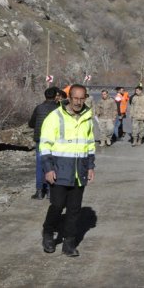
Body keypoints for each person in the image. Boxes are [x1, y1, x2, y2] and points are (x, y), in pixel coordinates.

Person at [39, 84, 96, 257]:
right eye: (75, 98)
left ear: (85, 98)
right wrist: (48, 169)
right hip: (59, 170)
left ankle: (69, 243)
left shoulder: (87, 117)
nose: (78, 102)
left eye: (82, 98)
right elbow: (45, 145)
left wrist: (91, 166)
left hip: (79, 171)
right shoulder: (55, 117)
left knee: (74, 209)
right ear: (69, 98)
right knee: (57, 205)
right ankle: (48, 233)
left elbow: (89, 144)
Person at [27, 87, 60, 200]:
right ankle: (51, 191)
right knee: (53, 164)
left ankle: (40, 191)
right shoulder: (58, 109)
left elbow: (31, 123)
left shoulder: (39, 108)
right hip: (54, 140)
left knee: (40, 165)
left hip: (40, 139)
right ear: (55, 96)